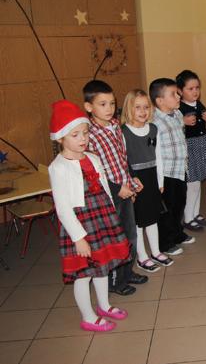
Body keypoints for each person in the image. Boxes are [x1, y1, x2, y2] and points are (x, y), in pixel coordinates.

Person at [49, 100, 129, 332]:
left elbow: (104, 189)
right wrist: (78, 238)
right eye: (75, 135)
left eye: (85, 133)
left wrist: (112, 215)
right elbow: (63, 208)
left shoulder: (92, 157)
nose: (82, 139)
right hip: (81, 224)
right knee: (83, 274)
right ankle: (88, 316)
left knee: (103, 265)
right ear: (60, 138)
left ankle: (104, 305)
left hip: (101, 218)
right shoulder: (58, 167)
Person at [83, 80, 147, 296]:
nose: (109, 108)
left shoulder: (115, 126)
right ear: (89, 107)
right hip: (107, 195)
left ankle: (127, 273)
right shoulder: (89, 134)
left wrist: (131, 179)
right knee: (114, 238)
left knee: (130, 235)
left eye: (112, 103)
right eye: (102, 104)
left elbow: (122, 158)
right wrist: (116, 188)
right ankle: (115, 281)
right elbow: (92, 171)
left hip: (125, 190)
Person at [121, 89, 173, 272]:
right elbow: (123, 161)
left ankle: (156, 252)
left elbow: (158, 157)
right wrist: (129, 183)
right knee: (138, 221)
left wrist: (160, 182)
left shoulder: (153, 129)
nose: (143, 111)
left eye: (146, 107)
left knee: (152, 218)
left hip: (151, 179)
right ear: (129, 108)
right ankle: (142, 256)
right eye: (137, 107)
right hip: (136, 180)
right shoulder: (123, 132)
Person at [150, 78, 195, 254]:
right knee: (167, 209)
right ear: (160, 101)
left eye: (178, 93)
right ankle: (165, 242)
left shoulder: (177, 114)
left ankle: (177, 233)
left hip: (180, 169)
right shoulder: (154, 121)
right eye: (173, 94)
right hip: (166, 173)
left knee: (179, 204)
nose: (178, 96)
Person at [176, 69, 206, 231]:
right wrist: (182, 121)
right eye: (190, 89)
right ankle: (188, 217)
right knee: (192, 184)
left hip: (201, 144)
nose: (195, 92)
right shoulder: (178, 108)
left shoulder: (199, 104)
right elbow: (173, 129)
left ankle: (195, 213)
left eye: (197, 88)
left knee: (197, 182)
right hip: (189, 147)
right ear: (180, 91)